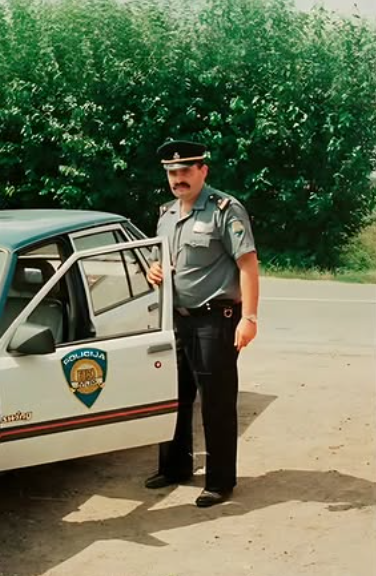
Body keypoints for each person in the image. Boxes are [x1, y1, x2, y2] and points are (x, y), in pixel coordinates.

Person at [144, 139, 260, 508]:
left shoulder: (225, 210)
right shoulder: (165, 213)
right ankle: (175, 467)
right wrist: (153, 270)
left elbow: (248, 265)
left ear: (202, 171)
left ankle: (220, 481)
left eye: (185, 171)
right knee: (174, 396)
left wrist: (250, 318)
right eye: (172, 173)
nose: (179, 178)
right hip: (175, 320)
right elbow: (157, 261)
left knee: (216, 402)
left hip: (216, 319)